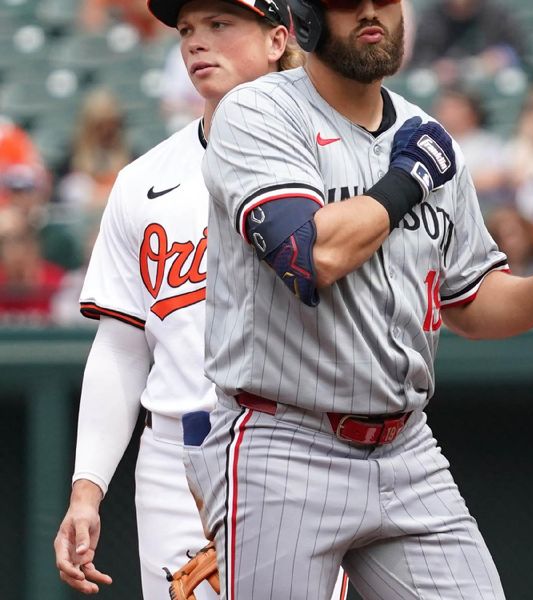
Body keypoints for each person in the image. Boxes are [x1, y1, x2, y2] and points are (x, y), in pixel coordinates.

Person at [192, 0, 533, 598]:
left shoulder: (425, 136)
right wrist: (405, 182)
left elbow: (468, 298)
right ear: (308, 17)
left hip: (407, 448)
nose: (371, 12)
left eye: (384, 0)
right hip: (284, 443)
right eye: (348, 1)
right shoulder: (259, 112)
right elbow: (309, 256)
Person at [52, 1, 348, 599]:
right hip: (176, 454)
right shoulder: (144, 179)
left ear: (277, 40)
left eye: (220, 25)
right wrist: (87, 488)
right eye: (188, 29)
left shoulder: (339, 161)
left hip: (301, 445)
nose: (195, 43)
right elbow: (121, 346)